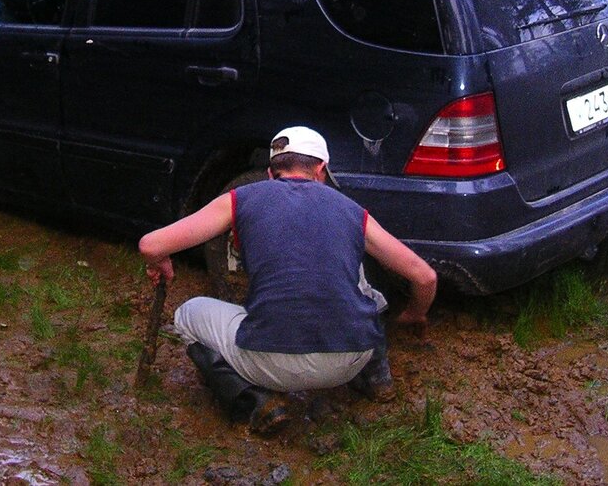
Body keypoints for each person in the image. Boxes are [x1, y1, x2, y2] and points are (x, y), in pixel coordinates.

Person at [138, 125, 437, 434]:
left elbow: (150, 245)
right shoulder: (353, 212)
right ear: (321, 170)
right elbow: (425, 277)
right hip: (351, 359)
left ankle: (259, 401)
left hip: (269, 364)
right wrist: (416, 313)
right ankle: (377, 378)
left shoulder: (239, 199)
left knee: (188, 314)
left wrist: (160, 261)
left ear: (270, 173)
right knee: (355, 275)